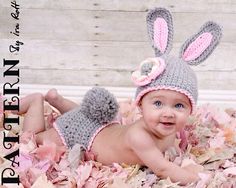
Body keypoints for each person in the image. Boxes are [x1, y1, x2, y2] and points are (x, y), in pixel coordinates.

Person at [17, 7, 222, 185]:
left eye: (179, 106)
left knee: (82, 114)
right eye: (158, 103)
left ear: (191, 108)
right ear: (140, 105)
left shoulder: (167, 129)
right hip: (84, 137)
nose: (168, 113)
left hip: (101, 126)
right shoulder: (139, 137)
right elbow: (163, 170)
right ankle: (35, 101)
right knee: (34, 139)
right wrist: (198, 177)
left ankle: (57, 100)